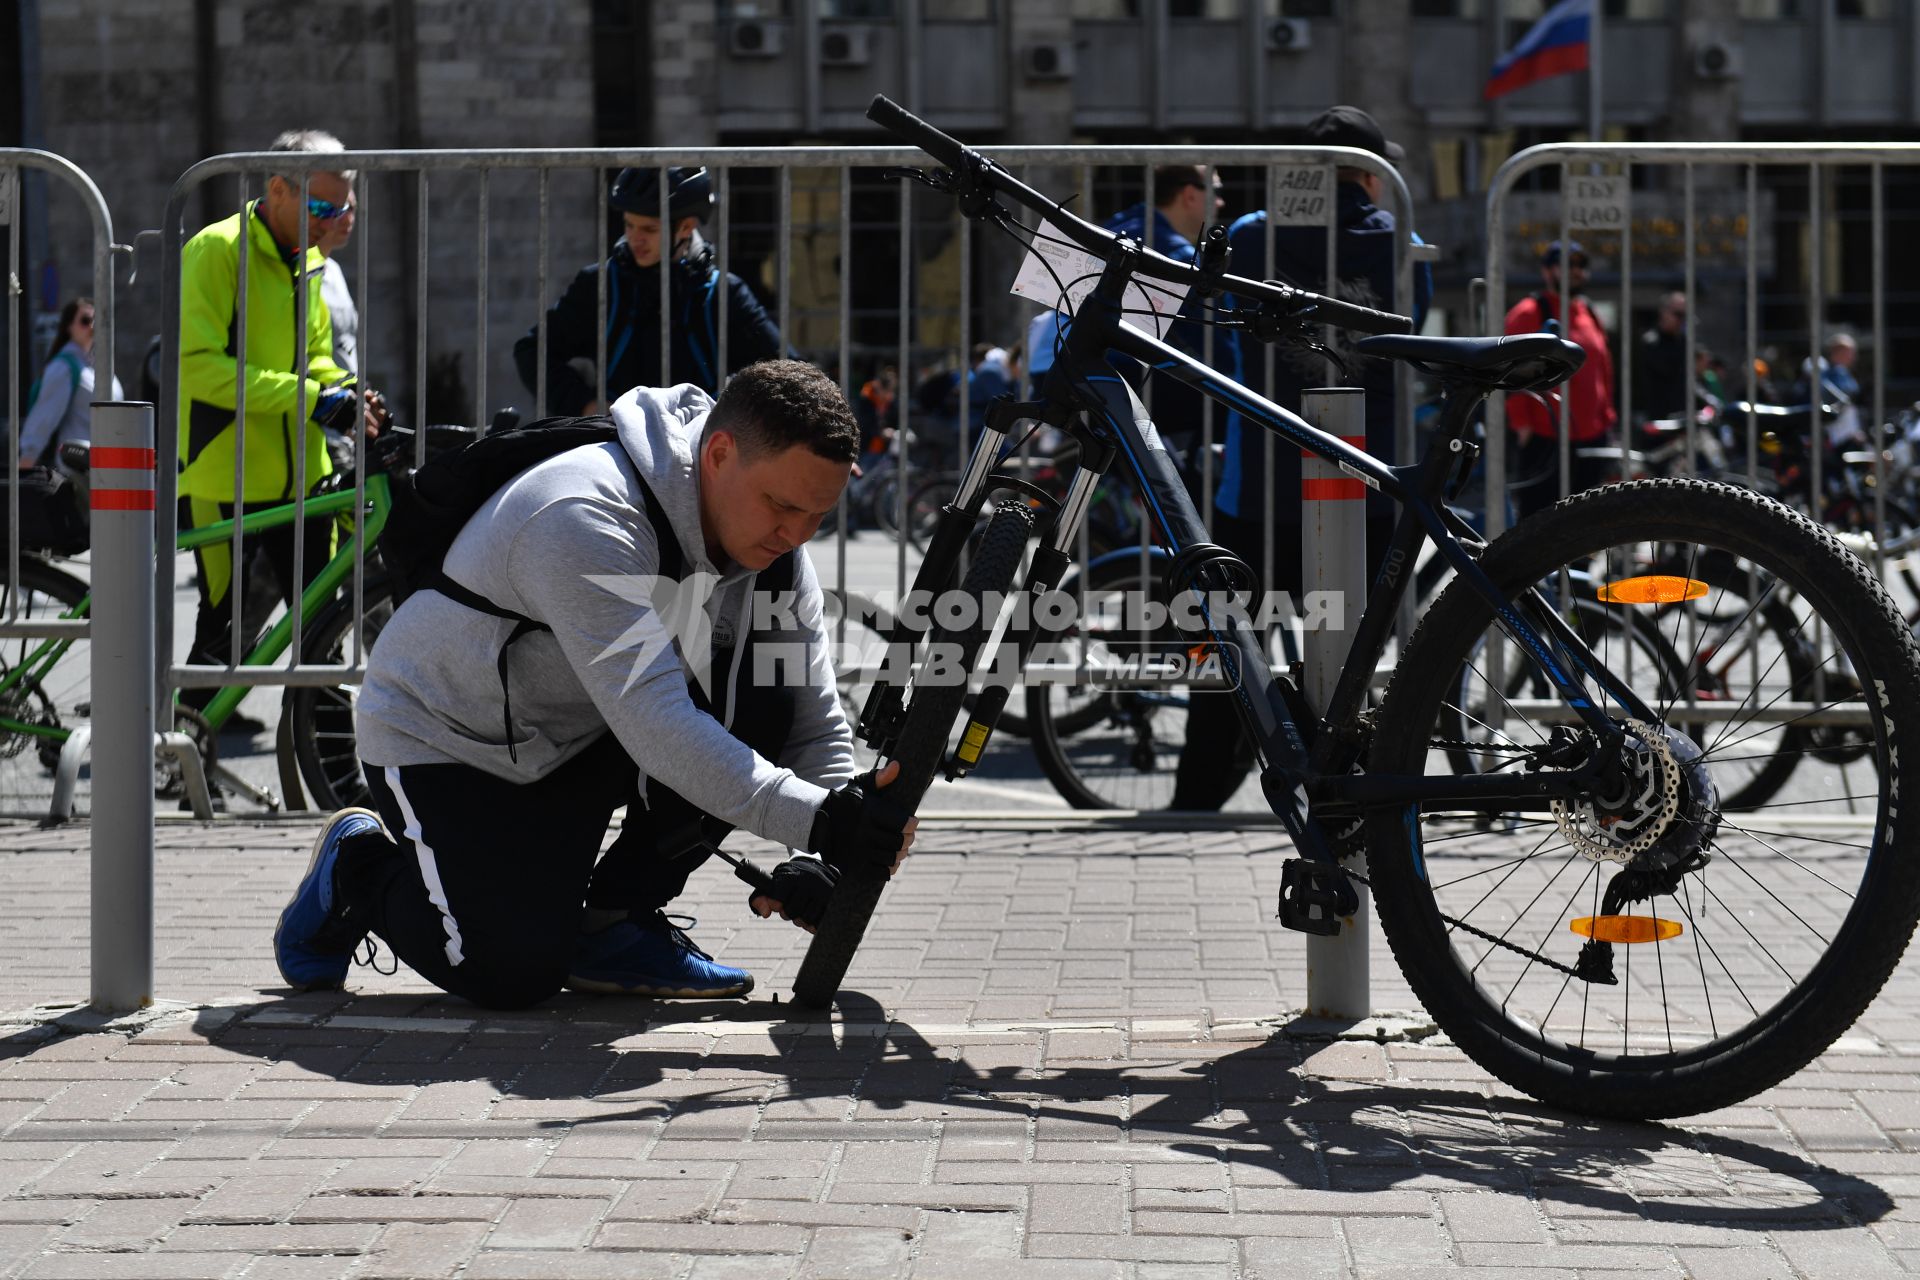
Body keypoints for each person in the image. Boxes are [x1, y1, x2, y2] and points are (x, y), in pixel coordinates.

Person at [273, 360, 918, 1008]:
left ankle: (616, 923)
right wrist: (822, 823)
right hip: (445, 741)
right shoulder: (586, 514)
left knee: (762, 693)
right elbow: (658, 723)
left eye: (818, 516)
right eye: (782, 506)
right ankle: (355, 867)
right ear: (719, 454)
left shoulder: (775, 545)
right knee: (510, 973)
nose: (796, 535)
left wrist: (828, 847)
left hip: (575, 733)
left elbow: (808, 714)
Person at [1169, 105, 1431, 812]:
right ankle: (1340, 799)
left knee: (1229, 644)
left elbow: (1207, 318)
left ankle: (1195, 798)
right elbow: (1419, 325)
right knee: (1344, 660)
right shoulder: (1400, 246)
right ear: (1370, 176)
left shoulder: (1253, 237)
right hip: (1364, 482)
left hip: (1263, 482)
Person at [177, 128, 380, 720]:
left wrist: (349, 392)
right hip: (226, 482)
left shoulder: (309, 259)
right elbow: (197, 369)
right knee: (221, 636)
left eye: (344, 208)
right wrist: (311, 398)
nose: (332, 222)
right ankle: (181, 762)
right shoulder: (217, 250)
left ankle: (332, 777)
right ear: (277, 190)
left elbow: (314, 357)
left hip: (305, 484)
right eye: (321, 208)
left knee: (321, 639)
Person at [513, 167, 784, 415]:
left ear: (686, 227)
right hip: (614, 444)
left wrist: (733, 414)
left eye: (649, 229)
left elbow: (787, 370)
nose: (634, 238)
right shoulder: (600, 284)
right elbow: (532, 351)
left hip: (700, 447)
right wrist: (586, 404)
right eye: (629, 225)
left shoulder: (724, 292)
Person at [1101, 165, 1242, 453]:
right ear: (1189, 195)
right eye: (1216, 192)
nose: (1221, 202)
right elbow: (1208, 339)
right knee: (1231, 404)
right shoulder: (1173, 254)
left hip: (1087, 372)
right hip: (1132, 384)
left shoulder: (1117, 228)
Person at [1503, 240, 1617, 522]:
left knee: (1585, 525)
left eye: (1581, 265)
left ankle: (1577, 569)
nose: (1576, 271)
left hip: (1591, 438)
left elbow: (1604, 370)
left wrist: (1607, 420)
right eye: (1567, 264)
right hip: (1546, 438)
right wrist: (1523, 427)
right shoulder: (1528, 313)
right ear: (1547, 271)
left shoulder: (1590, 312)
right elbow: (1510, 370)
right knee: (1537, 525)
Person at [19, 297, 121, 472]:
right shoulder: (63, 368)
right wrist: (25, 465)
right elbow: (44, 417)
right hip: (79, 471)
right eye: (85, 321)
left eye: (96, 320)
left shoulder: (99, 367)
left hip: (108, 469)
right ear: (69, 327)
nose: (92, 326)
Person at [1633, 291, 1689, 422]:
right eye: (1678, 314)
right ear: (1664, 312)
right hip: (1656, 421)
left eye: (1684, 315)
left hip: (1680, 419)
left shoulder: (1683, 341)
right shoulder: (1650, 342)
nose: (1681, 320)